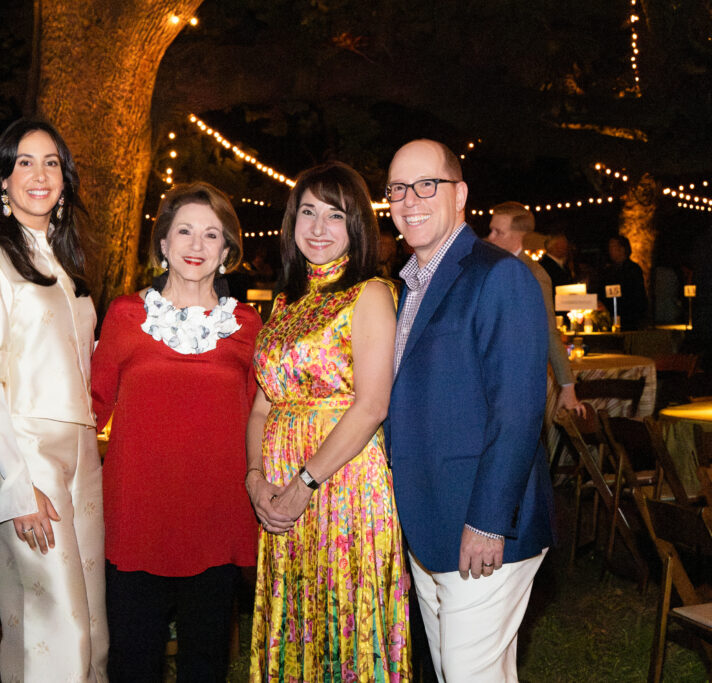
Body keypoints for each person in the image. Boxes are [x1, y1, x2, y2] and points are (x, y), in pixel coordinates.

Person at [386, 139, 553, 681]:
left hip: (484, 528)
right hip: (428, 525)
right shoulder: (406, 286)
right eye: (397, 188)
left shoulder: (498, 275)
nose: (410, 199)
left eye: (425, 184)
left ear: (459, 194)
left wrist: (487, 521)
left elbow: (519, 409)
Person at [247, 162, 410, 681]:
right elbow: (261, 405)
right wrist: (254, 478)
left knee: (344, 621)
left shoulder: (370, 294)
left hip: (342, 486)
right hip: (278, 490)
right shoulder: (284, 302)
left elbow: (371, 406)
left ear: (356, 225)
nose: (318, 228)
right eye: (308, 213)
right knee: (295, 619)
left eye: (334, 215)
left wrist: (304, 482)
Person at [92, 182, 260, 683]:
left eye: (211, 235)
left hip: (216, 517)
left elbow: (262, 419)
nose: (196, 245)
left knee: (205, 665)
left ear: (227, 251)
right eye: (184, 231)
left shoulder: (248, 326)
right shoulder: (125, 315)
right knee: (131, 663)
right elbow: (91, 410)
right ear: (163, 243)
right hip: (136, 517)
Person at [0, 119, 107, 681]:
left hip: (82, 453)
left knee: (90, 626)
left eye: (51, 162)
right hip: (26, 454)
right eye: (24, 162)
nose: (39, 174)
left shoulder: (66, 265)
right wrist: (18, 487)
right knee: (55, 625)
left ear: (65, 181)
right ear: (2, 179)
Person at [487, 201, 584, 417]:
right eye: (491, 230)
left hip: (514, 384)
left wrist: (567, 387)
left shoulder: (534, 275)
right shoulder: (488, 267)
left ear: (518, 236)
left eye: (498, 232)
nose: (490, 237)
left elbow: (549, 331)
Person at [599, 234, 647, 330]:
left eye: (612, 246)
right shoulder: (608, 271)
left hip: (629, 318)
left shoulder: (633, 269)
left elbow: (636, 295)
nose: (610, 250)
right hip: (610, 316)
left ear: (622, 249)